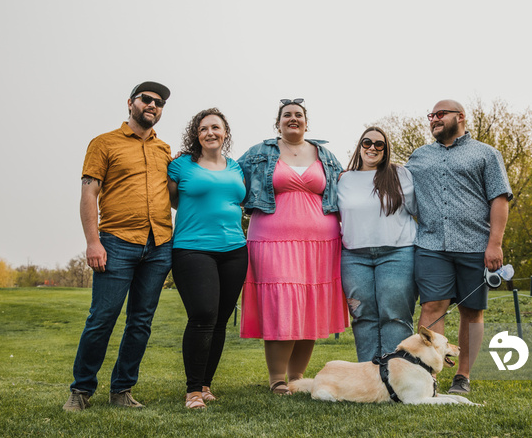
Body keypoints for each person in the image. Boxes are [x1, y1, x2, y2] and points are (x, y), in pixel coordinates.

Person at [64, 81, 174, 411]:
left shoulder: (164, 149)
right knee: (102, 318)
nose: (153, 105)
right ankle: (81, 390)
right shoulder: (103, 143)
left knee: (140, 322)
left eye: (159, 102)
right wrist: (92, 242)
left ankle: (122, 390)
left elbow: (175, 195)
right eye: (147, 99)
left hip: (159, 246)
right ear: (131, 103)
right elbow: (89, 193)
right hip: (116, 244)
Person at [237, 98, 349, 395]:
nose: (293, 119)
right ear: (278, 122)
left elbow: (348, 187)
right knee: (281, 305)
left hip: (322, 243)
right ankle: (277, 379)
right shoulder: (259, 153)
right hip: (271, 240)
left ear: (306, 122)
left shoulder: (325, 155)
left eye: (298, 115)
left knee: (310, 307)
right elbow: (229, 176)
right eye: (287, 115)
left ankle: (297, 377)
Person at [406, 99, 512, 395]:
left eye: (441, 114)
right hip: (430, 245)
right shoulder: (418, 156)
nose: (434, 119)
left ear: (460, 117)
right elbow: (394, 185)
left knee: (471, 311)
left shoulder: (487, 155)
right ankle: (428, 376)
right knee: (431, 307)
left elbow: (500, 199)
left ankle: (462, 376)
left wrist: (495, 244)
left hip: (475, 246)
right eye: (431, 115)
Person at [167, 108, 248, 409]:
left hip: (235, 250)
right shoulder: (180, 166)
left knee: (220, 321)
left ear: (225, 132)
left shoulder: (236, 168)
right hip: (192, 248)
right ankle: (192, 392)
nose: (210, 133)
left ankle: (205, 384)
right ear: (196, 135)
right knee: (202, 315)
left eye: (216, 127)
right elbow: (173, 200)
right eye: (203, 129)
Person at [337, 127, 418, 362]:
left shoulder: (400, 174)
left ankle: (396, 375)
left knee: (395, 315)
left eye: (379, 144)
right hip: (354, 257)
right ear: (360, 145)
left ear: (385, 150)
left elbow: (417, 211)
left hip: (397, 254)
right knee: (363, 316)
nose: (372, 147)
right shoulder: (343, 179)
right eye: (367, 142)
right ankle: (369, 375)